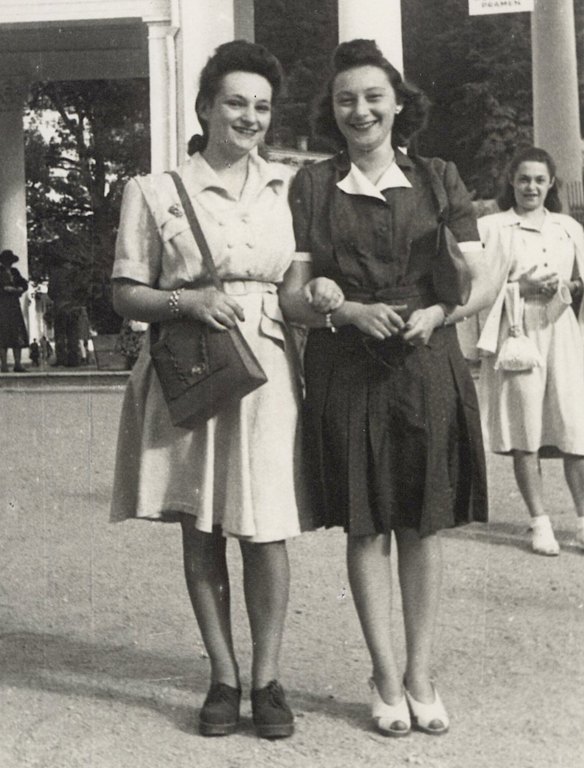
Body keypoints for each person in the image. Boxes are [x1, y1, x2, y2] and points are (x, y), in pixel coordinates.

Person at [279, 39, 498, 737]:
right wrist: (336, 307)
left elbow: (482, 275)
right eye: (346, 99)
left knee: (422, 520)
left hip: (427, 363)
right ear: (331, 111)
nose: (360, 109)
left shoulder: (437, 178)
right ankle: (382, 673)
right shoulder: (312, 186)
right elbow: (291, 294)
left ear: (398, 103)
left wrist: (442, 312)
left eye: (373, 96)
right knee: (368, 522)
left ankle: (420, 673)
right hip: (348, 366)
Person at [110, 40, 310, 740]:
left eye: (261, 106)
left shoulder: (291, 185)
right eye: (236, 102)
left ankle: (269, 678)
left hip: (266, 368)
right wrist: (185, 304)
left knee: (267, 525)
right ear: (204, 106)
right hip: (193, 359)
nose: (250, 116)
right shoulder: (155, 190)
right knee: (203, 525)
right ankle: (223, 678)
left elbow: (294, 289)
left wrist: (319, 295)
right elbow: (124, 292)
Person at [477, 146, 584, 556]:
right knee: (527, 430)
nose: (531, 187)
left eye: (540, 180)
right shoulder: (493, 227)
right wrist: (518, 288)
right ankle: (540, 522)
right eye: (524, 179)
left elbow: (580, 281)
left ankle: (580, 520)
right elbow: (477, 290)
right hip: (518, 334)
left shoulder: (568, 227)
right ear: (511, 182)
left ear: (551, 183)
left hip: (561, 331)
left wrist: (570, 288)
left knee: (575, 427)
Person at [0, 249, 29, 372]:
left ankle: (18, 363)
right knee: (3, 334)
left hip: (14, 306)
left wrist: (20, 288)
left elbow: (24, 283)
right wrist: (5, 290)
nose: (9, 263)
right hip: (2, 306)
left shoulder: (15, 272)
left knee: (17, 333)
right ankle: (4, 364)